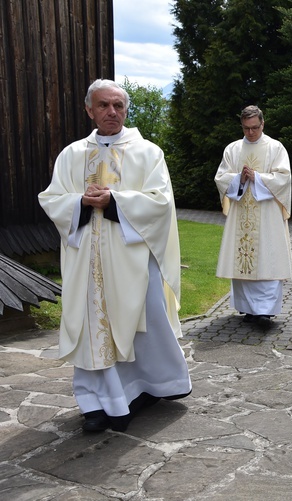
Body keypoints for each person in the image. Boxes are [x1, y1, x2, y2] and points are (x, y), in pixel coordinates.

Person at [38, 79, 191, 433]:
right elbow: (51, 198)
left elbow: (161, 202)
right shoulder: (72, 154)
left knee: (144, 325)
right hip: (85, 264)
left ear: (126, 110)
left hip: (133, 260)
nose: (112, 112)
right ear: (89, 110)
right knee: (92, 327)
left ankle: (151, 386)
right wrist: (79, 201)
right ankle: (96, 401)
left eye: (118, 106)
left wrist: (116, 202)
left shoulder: (148, 153)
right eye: (104, 105)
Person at [215, 105, 292, 323]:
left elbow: (284, 179)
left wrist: (257, 178)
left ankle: (265, 310)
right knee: (243, 258)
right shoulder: (232, 149)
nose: (251, 133)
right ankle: (248, 308)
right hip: (241, 213)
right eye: (246, 128)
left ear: (263, 124)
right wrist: (238, 178)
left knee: (268, 259)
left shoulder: (275, 148)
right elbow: (220, 177)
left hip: (267, 215)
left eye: (255, 128)